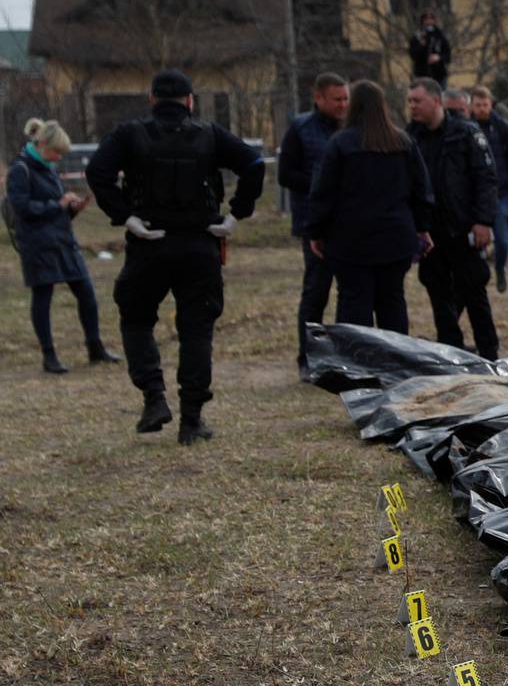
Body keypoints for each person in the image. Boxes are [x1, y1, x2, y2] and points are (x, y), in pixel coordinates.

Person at [85, 69, 263, 443]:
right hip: (201, 244)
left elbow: (97, 170)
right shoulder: (211, 134)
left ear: (151, 100)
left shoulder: (129, 133)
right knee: (196, 330)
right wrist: (235, 215)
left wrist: (126, 216)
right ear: (190, 101)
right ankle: (192, 420)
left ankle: (154, 397)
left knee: (135, 320)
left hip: (149, 242)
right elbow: (254, 164)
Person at [305, 80, 432, 335]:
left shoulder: (341, 144)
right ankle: (396, 362)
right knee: (393, 302)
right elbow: (421, 191)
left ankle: (356, 367)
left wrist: (316, 231)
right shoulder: (403, 142)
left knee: (353, 303)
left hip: (351, 240)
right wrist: (422, 228)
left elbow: (323, 193)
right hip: (395, 237)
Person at [9, 119, 116, 373]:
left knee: (86, 293)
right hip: (37, 244)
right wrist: (57, 205)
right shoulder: (20, 170)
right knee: (43, 297)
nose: (58, 157)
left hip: (63, 241)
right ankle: (49, 355)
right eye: (56, 152)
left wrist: (72, 209)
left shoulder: (47, 168)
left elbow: (57, 211)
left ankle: (95, 347)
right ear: (43, 144)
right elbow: (22, 208)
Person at [405, 78, 499, 359]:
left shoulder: (466, 133)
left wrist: (483, 221)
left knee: (473, 290)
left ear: (435, 101)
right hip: (430, 231)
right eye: (409, 101)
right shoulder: (411, 137)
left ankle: (489, 351)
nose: (412, 106)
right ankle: (451, 349)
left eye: (417, 101)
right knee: (437, 291)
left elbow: (486, 179)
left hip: (464, 226)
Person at [277, 72, 348, 368]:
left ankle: (345, 353)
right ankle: (309, 355)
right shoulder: (300, 129)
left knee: (350, 293)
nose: (343, 105)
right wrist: (323, 181)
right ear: (318, 98)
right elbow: (286, 175)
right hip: (314, 222)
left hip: (349, 222)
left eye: (346, 99)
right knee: (316, 290)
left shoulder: (352, 126)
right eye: (337, 99)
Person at [470, 87, 508, 292]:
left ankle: (500, 268)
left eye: (485, 105)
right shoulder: (467, 127)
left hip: (501, 193)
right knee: (477, 241)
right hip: (475, 196)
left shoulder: (502, 127)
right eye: (478, 105)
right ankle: (480, 273)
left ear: (491, 104)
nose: (482, 109)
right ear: (472, 106)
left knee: (502, 240)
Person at [409, 10, 451, 84]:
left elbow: (448, 55)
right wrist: (422, 45)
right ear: (422, 21)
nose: (428, 21)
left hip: (439, 75)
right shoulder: (417, 36)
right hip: (422, 74)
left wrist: (439, 57)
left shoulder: (440, 36)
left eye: (431, 18)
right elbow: (413, 55)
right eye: (426, 19)